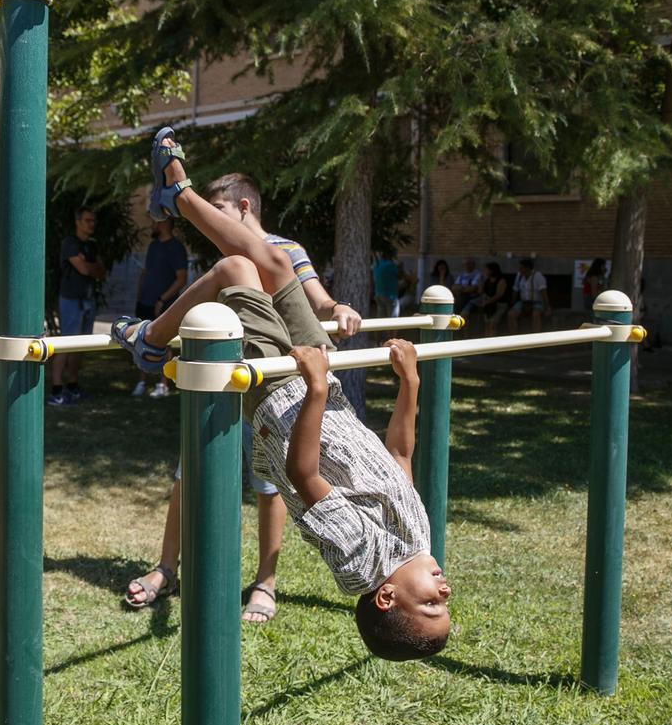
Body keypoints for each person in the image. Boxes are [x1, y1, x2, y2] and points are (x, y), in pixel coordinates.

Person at [115, 128, 450, 659]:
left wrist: (315, 387)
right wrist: (409, 384)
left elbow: (304, 476)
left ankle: (152, 339)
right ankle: (177, 202)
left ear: (387, 597)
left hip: (285, 404)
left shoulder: (361, 562)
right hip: (321, 391)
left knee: (234, 270)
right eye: (445, 603)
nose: (444, 593)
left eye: (431, 605)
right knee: (270, 262)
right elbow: (401, 457)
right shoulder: (419, 543)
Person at [124, 171, 363, 624]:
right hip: (218, 383)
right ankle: (165, 569)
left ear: (244, 208)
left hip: (269, 387)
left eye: (218, 212)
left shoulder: (284, 252)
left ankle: (265, 582)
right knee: (187, 474)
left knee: (269, 486)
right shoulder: (223, 257)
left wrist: (339, 308)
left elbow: (315, 300)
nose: (211, 224)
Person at [48, 207, 105, 406]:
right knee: (66, 344)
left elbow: (100, 272)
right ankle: (56, 390)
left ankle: (72, 385)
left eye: (94, 221)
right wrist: (90, 267)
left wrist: (89, 267)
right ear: (78, 221)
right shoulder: (70, 243)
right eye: (88, 220)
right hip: (71, 299)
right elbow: (84, 268)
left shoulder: (91, 245)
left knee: (80, 346)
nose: (92, 224)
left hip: (88, 299)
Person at [132, 217, 188, 398]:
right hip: (145, 302)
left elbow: (181, 278)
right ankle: (141, 381)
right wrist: (140, 294)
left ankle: (163, 384)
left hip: (165, 304)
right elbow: (146, 272)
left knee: (163, 342)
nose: (152, 225)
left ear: (164, 224)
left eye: (155, 222)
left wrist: (162, 300)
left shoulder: (176, 248)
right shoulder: (153, 246)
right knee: (139, 340)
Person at [507, 257, 551, 333]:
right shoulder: (519, 276)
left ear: (527, 268)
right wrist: (512, 304)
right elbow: (515, 290)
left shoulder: (538, 276)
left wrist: (547, 307)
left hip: (536, 302)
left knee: (536, 314)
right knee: (511, 314)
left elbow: (543, 293)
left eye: (521, 268)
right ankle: (513, 336)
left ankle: (536, 337)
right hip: (523, 302)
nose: (519, 270)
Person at [478, 262, 509, 337]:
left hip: (499, 305)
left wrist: (488, 301)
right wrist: (481, 282)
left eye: (486, 270)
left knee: (493, 324)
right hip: (489, 306)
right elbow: (480, 292)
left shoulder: (501, 280)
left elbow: (499, 295)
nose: (484, 271)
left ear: (492, 270)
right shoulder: (487, 280)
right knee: (487, 325)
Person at [372, 249, 403, 319]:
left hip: (378, 294)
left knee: (381, 319)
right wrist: (401, 267)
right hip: (390, 295)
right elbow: (400, 276)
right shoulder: (391, 265)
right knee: (393, 321)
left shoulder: (377, 265)